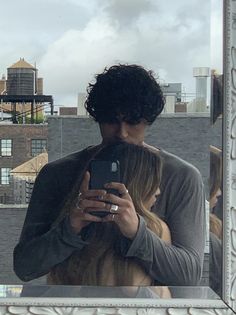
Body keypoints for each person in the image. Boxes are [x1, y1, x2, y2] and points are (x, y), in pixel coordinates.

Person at [13, 64, 205, 286]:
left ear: (148, 120)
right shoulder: (58, 174)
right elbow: (24, 268)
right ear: (98, 118)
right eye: (111, 120)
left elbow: (189, 275)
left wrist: (136, 232)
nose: (122, 132)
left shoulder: (181, 176)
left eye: (133, 121)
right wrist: (71, 227)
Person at [47, 142, 171, 286]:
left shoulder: (153, 228)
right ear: (137, 186)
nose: (158, 192)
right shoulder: (155, 228)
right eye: (152, 182)